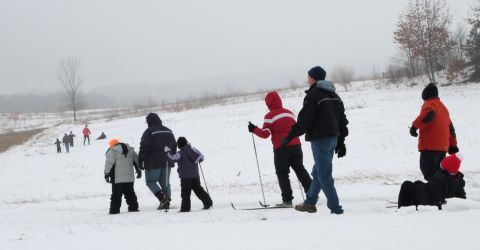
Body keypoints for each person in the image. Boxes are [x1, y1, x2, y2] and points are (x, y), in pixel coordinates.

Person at [281, 66, 348, 214]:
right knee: (318, 173)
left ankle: (336, 208)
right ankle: (309, 202)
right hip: (333, 139)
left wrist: (289, 136)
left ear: (314, 78)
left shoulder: (313, 95)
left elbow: (304, 121)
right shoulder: (335, 96)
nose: (307, 79)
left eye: (309, 76)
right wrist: (341, 141)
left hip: (321, 140)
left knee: (324, 176)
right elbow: (342, 121)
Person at [248, 91, 312, 206]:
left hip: (281, 149)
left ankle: (287, 200)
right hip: (296, 146)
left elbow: (265, 134)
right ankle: (312, 194)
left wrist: (253, 129)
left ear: (268, 103)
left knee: (282, 174)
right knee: (300, 170)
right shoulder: (289, 112)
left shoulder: (269, 116)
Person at [410, 83, 459, 181]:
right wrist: (453, 146)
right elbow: (451, 129)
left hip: (430, 146)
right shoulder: (444, 108)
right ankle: (441, 191)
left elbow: (428, 113)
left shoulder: (429, 103)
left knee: (429, 172)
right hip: (442, 148)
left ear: (426, 95)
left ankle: (436, 193)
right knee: (439, 172)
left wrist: (414, 127)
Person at [398, 153, 466, 210]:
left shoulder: (440, 178)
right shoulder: (459, 180)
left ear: (446, 167)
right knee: (418, 182)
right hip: (431, 195)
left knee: (406, 185)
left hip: (424, 199)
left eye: (442, 165)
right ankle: (412, 202)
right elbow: (461, 196)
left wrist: (438, 205)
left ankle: (402, 209)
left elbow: (436, 194)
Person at [138, 113, 177, 210]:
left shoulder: (149, 131)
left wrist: (140, 159)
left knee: (151, 181)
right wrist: (172, 157)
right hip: (168, 161)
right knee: (165, 183)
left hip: (153, 162)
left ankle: (163, 200)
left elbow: (144, 146)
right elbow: (174, 145)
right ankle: (166, 200)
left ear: (149, 121)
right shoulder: (169, 131)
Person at [165, 137, 212, 212]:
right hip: (195, 176)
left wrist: (167, 152)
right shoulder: (193, 150)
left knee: (185, 194)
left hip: (185, 177)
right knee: (199, 190)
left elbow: (172, 159)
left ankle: (185, 208)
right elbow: (201, 158)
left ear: (179, 145)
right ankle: (208, 202)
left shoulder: (180, 153)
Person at [104, 139, 142, 214]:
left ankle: (114, 210)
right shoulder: (130, 150)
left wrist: (106, 174)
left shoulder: (112, 151)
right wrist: (139, 170)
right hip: (129, 178)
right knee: (130, 193)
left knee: (116, 195)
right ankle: (133, 207)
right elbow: (136, 161)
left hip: (117, 178)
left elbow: (109, 163)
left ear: (112, 145)